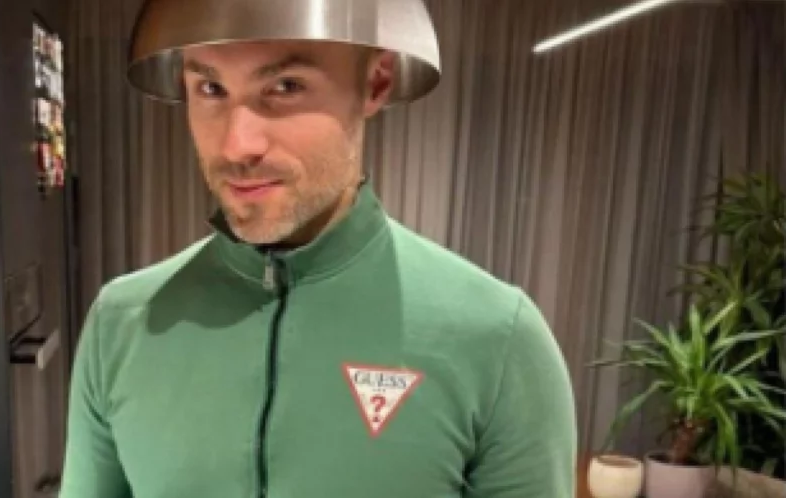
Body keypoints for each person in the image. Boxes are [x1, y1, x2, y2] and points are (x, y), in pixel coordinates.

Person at [59, 1, 577, 497]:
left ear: (376, 83)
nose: (238, 145)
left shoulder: (497, 340)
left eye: (285, 86)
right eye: (211, 88)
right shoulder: (122, 323)